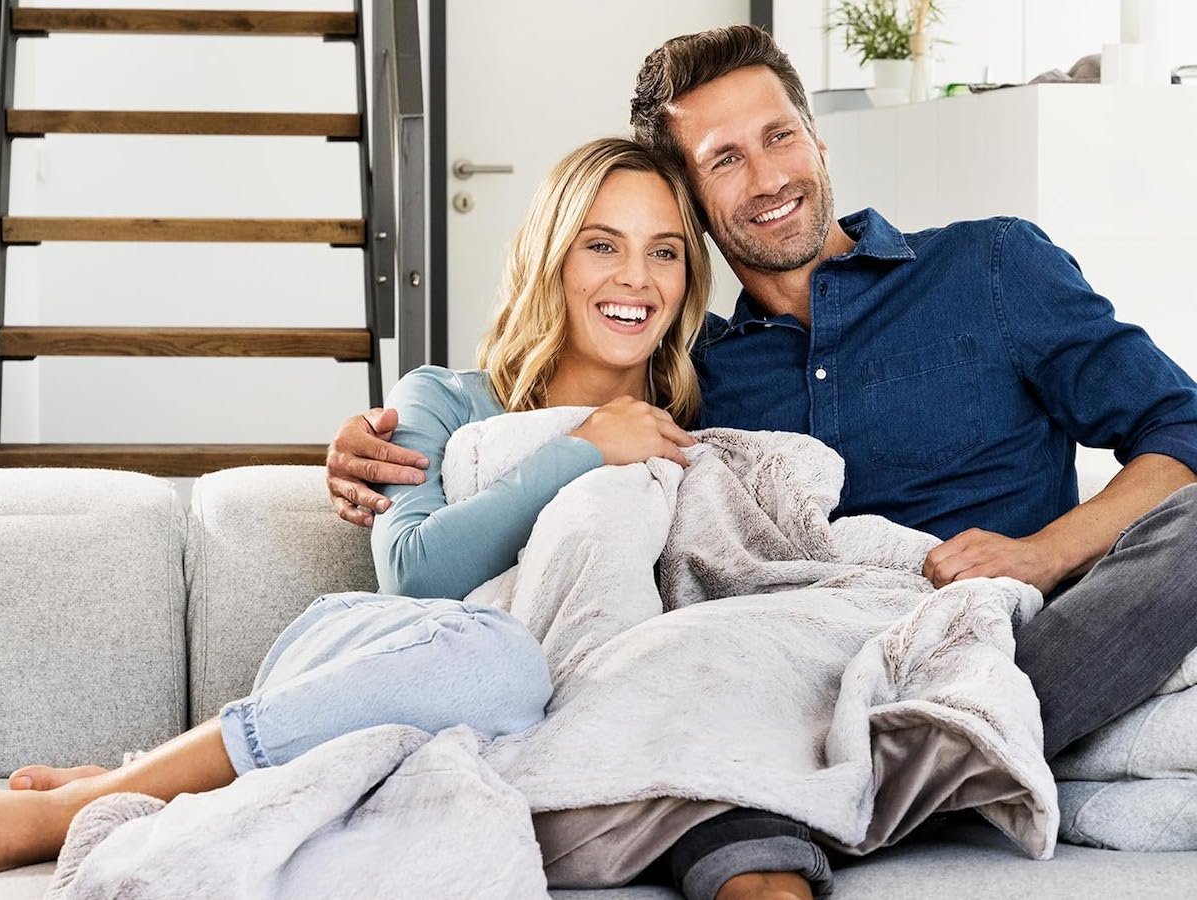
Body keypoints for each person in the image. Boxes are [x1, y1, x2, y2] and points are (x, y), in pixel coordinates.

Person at [325, 24, 1197, 900]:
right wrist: (381, 446)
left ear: (817, 139)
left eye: (779, 136)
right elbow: (544, 406)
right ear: (693, 202)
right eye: (725, 159)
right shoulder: (694, 371)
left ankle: (910, 761)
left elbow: (1183, 431)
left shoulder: (993, 267)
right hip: (793, 689)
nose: (770, 176)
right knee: (715, 743)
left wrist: (1044, 553)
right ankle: (867, 780)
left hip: (1015, 652)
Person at [0, 138, 713, 878]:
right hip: (385, 658)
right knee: (505, 661)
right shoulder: (439, 399)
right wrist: (580, 450)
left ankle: (150, 780)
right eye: (602, 244)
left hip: (529, 726)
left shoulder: (699, 421)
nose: (636, 278)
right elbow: (413, 575)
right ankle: (71, 810)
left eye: (664, 252)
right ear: (553, 257)